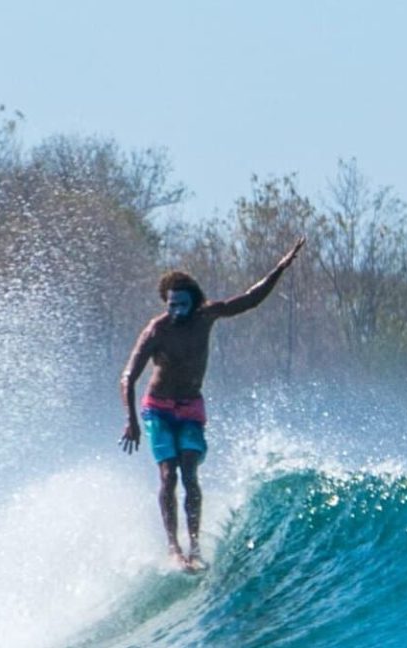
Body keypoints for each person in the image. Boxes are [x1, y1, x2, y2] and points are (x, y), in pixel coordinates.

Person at [120, 238, 306, 569]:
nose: (175, 310)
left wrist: (281, 267)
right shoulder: (156, 331)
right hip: (158, 408)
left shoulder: (206, 316)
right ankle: (173, 548)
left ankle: (194, 547)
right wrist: (131, 421)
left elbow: (250, 300)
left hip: (191, 405)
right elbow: (128, 377)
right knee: (168, 476)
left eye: (181, 304)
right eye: (171, 304)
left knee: (190, 474)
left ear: (193, 302)